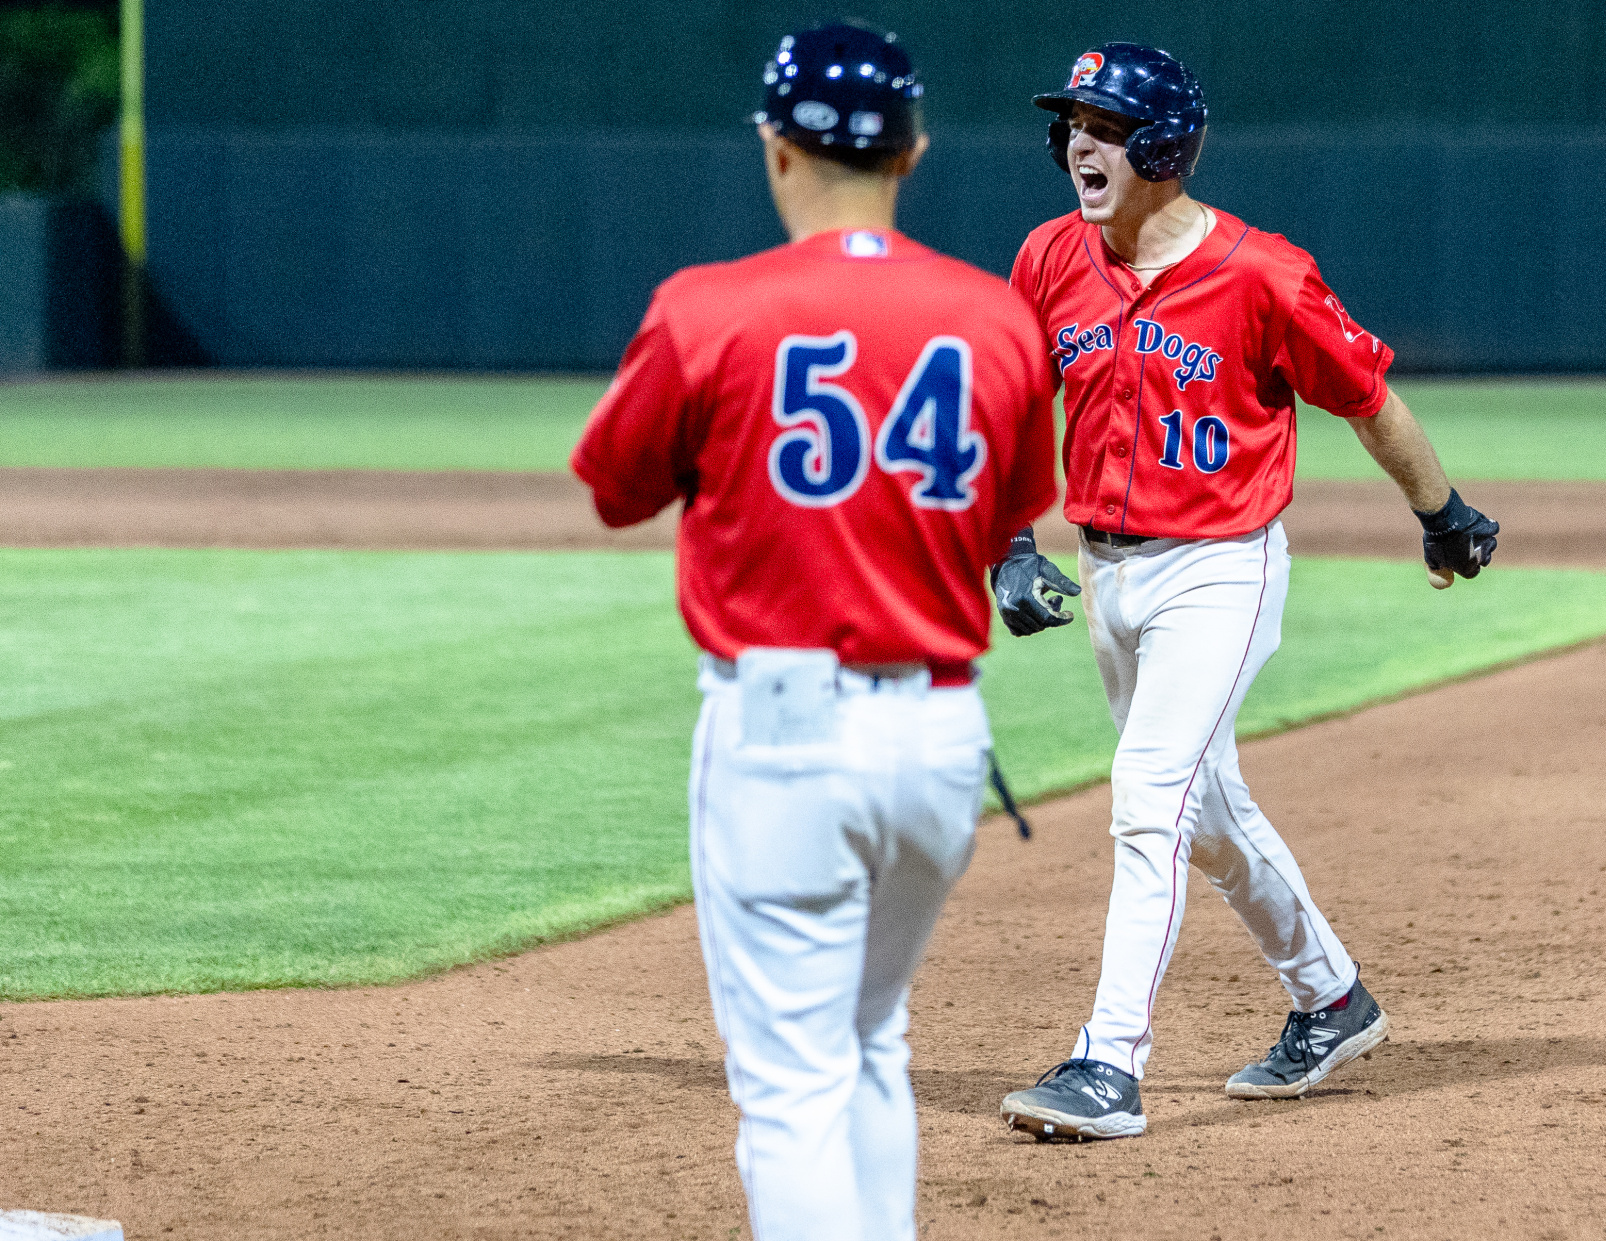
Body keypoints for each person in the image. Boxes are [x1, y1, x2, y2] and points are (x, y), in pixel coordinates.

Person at [568, 22, 1059, 1239]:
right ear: (914, 153)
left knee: (789, 1087)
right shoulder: (997, 319)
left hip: (784, 732)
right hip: (944, 736)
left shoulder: (707, 308)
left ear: (776, 150)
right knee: (870, 1038)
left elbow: (617, 487)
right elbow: (1009, 517)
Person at [989, 43, 1499, 1143]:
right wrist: (1006, 540)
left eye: (1108, 124)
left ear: (1165, 147)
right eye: (1073, 122)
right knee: (1205, 814)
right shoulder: (1048, 257)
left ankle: (1106, 1062)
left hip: (1220, 567)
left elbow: (1365, 398)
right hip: (1106, 567)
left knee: (1148, 792)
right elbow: (1012, 403)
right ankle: (1331, 995)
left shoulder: (1264, 274)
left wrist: (1442, 510)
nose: (1082, 142)